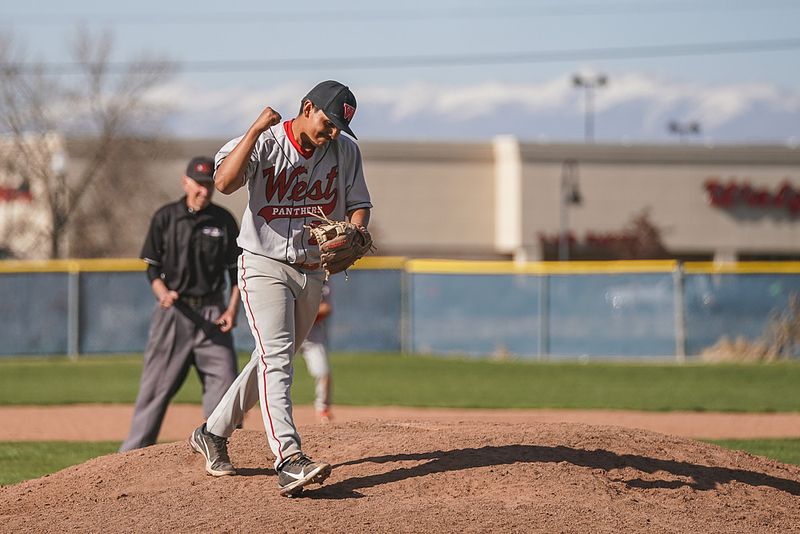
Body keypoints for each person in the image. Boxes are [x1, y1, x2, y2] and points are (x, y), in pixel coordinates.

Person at [189, 80, 372, 497]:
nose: (333, 132)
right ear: (307, 108)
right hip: (263, 264)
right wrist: (255, 130)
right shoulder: (266, 142)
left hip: (312, 269)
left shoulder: (345, 151)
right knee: (277, 358)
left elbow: (359, 204)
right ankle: (288, 459)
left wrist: (357, 231)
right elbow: (225, 183)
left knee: (275, 357)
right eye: (328, 122)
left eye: (340, 127)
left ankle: (212, 432)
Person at [120, 157, 241, 452]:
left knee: (227, 386)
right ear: (185, 182)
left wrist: (232, 309)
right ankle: (130, 458)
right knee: (154, 390)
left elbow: (236, 273)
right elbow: (152, 268)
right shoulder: (166, 217)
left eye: (209, 185)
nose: (204, 190)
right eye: (199, 184)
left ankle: (226, 450)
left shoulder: (223, 220)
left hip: (213, 315)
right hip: (174, 314)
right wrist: (162, 293)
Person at [299, 283, 333, 423]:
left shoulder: (324, 282)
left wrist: (308, 312)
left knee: (323, 372)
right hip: (288, 332)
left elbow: (326, 308)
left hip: (312, 336)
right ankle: (244, 406)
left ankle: (322, 408)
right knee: (266, 368)